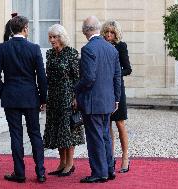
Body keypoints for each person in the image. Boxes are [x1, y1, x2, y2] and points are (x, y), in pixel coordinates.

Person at [0, 16, 47, 183]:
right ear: (24, 29)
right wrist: (43, 98)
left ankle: (20, 173)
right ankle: (41, 172)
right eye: (28, 28)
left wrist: (3, 92)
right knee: (35, 134)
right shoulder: (34, 48)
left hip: (12, 98)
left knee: (16, 135)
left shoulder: (2, 48)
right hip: (31, 97)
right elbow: (42, 78)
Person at [75, 16, 121, 183]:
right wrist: (117, 99)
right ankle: (109, 169)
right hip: (108, 100)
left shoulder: (88, 49)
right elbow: (117, 76)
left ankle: (99, 172)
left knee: (95, 138)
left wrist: (75, 89)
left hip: (92, 101)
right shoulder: (111, 49)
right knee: (105, 136)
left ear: (85, 31)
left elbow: (89, 78)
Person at [43, 24, 85, 177]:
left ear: (61, 37)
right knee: (57, 131)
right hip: (54, 96)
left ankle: (70, 164)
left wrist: (75, 97)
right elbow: (47, 77)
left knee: (68, 130)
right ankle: (61, 163)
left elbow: (77, 77)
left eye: (55, 37)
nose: (52, 40)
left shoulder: (71, 53)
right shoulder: (49, 54)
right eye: (50, 37)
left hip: (68, 96)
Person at [101, 20, 132, 173]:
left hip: (117, 89)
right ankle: (110, 157)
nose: (108, 35)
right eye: (106, 32)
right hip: (104, 90)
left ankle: (125, 156)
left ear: (116, 33)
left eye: (111, 32)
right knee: (107, 124)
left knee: (120, 124)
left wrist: (115, 72)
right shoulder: (101, 45)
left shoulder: (121, 46)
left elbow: (128, 69)